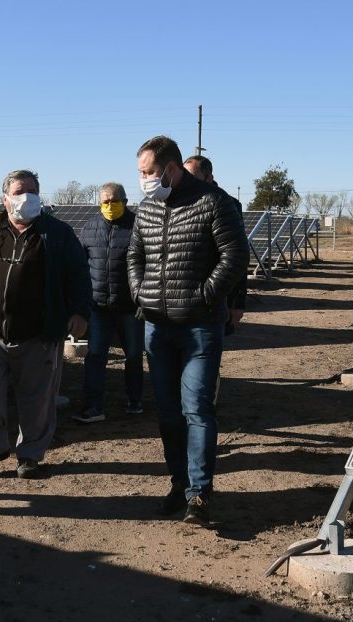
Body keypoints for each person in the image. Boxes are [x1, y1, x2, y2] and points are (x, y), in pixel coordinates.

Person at [128, 137, 248, 526]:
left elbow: (235, 256)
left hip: (199, 327)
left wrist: (205, 295)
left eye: (149, 172)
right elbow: (135, 256)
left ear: (171, 168)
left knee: (196, 409)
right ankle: (178, 484)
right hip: (156, 328)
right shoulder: (146, 208)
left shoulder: (213, 202)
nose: (144, 180)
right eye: (141, 173)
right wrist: (139, 292)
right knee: (167, 413)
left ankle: (199, 494)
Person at [0, 170, 91, 479]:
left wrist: (80, 313)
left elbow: (79, 275)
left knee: (37, 397)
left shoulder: (58, 233)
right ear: (5, 198)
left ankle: (30, 455)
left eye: (33, 191)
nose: (28, 197)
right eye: (20, 191)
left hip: (38, 331)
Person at [72, 182, 144, 424]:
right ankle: (93, 406)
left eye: (114, 201)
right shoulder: (90, 228)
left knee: (133, 355)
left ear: (124, 201)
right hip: (99, 306)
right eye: (105, 201)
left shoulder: (139, 226)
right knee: (95, 355)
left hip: (130, 306)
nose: (109, 206)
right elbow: (80, 266)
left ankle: (135, 400)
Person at [184, 155, 247, 334]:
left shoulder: (228, 205)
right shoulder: (179, 204)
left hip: (217, 296)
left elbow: (237, 256)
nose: (187, 183)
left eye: (192, 177)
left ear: (208, 177)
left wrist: (237, 302)